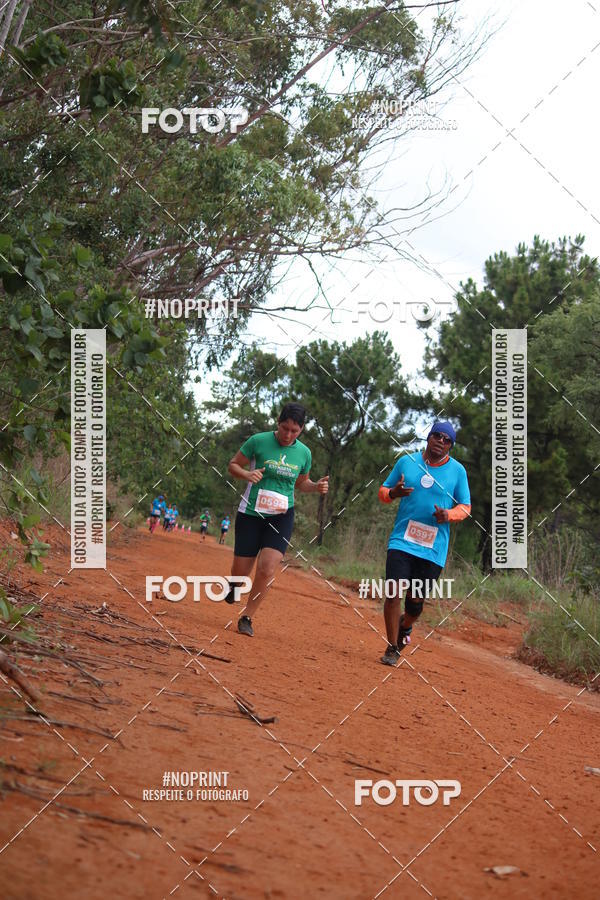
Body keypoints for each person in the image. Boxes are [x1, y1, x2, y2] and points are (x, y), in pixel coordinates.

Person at [225, 402, 329, 637]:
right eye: (284, 428)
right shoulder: (258, 441)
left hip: (282, 515)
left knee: (267, 567)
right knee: (241, 570)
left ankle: (247, 617)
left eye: (294, 431)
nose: (288, 435)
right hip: (251, 513)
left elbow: (302, 483)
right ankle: (234, 584)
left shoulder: (304, 453)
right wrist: (247, 474)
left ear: (301, 429)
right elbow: (233, 465)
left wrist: (317, 487)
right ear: (278, 423)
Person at [378, 420, 471, 666]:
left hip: (432, 550)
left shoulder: (457, 471)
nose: (441, 442)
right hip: (402, 541)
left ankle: (405, 626)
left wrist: (449, 515)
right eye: (437, 436)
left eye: (447, 439)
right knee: (393, 592)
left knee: (415, 604)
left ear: (451, 445)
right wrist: (393, 494)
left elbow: (465, 507)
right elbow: (383, 491)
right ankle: (391, 646)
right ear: (428, 437)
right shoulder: (406, 462)